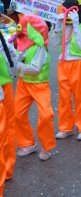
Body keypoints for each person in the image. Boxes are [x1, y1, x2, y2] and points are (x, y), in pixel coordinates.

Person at [52, 0, 81, 141]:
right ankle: (65, 127)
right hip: (63, 63)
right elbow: (54, 45)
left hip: (78, 63)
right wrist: (57, 27)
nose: (68, 14)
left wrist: (77, 26)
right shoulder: (64, 26)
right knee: (64, 97)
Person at [13, 15, 56, 161]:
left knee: (45, 116)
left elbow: (35, 69)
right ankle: (28, 143)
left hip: (39, 85)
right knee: (18, 113)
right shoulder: (23, 45)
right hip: (23, 84)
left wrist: (17, 65)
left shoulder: (39, 49)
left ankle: (47, 146)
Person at [0, 28, 18, 180]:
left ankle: (6, 168)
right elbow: (13, 66)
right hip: (3, 86)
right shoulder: (3, 39)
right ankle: (5, 169)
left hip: (3, 86)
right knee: (6, 128)